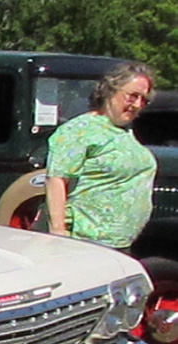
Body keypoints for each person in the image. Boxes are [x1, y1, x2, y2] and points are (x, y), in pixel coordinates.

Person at [44, 62, 157, 251]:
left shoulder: (124, 132)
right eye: (133, 96)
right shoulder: (79, 130)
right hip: (84, 242)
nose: (137, 105)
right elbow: (56, 179)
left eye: (144, 99)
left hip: (120, 244)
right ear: (110, 91)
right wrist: (58, 232)